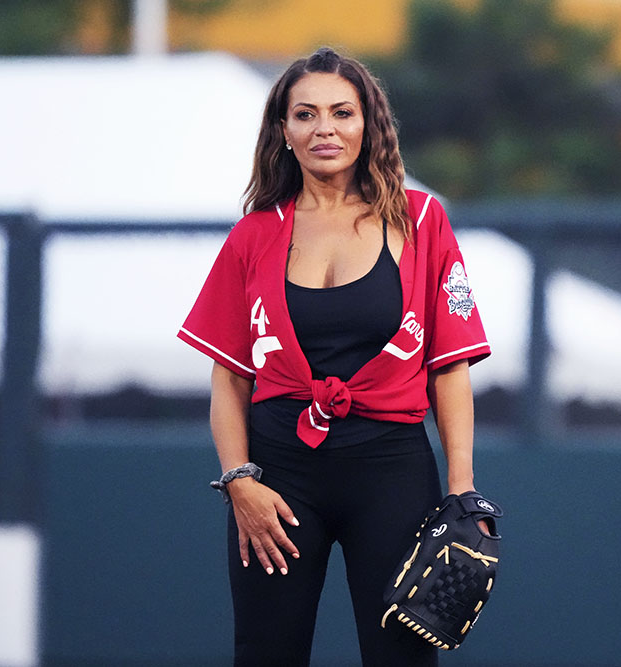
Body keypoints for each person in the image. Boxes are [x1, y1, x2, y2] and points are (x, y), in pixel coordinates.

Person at [177, 46, 491, 667]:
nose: (325, 128)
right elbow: (230, 380)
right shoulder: (254, 234)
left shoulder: (421, 218)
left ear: (369, 124)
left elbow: (449, 366)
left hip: (391, 469)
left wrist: (462, 492)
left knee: (401, 656)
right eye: (306, 114)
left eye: (343, 112)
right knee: (265, 652)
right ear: (283, 131)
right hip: (279, 476)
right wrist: (239, 479)